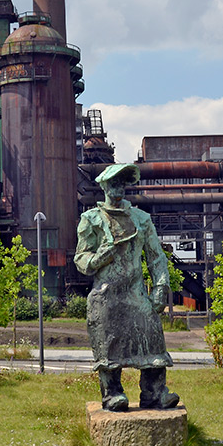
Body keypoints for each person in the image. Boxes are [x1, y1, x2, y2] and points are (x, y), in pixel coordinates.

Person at [75, 163, 180, 412]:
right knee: (108, 346)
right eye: (114, 183)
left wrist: (160, 287)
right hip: (106, 296)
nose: (118, 187)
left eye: (123, 182)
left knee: (153, 339)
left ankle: (155, 393)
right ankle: (112, 394)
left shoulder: (141, 219)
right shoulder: (91, 220)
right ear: (103, 186)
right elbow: (81, 259)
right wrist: (98, 259)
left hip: (136, 294)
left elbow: (157, 257)